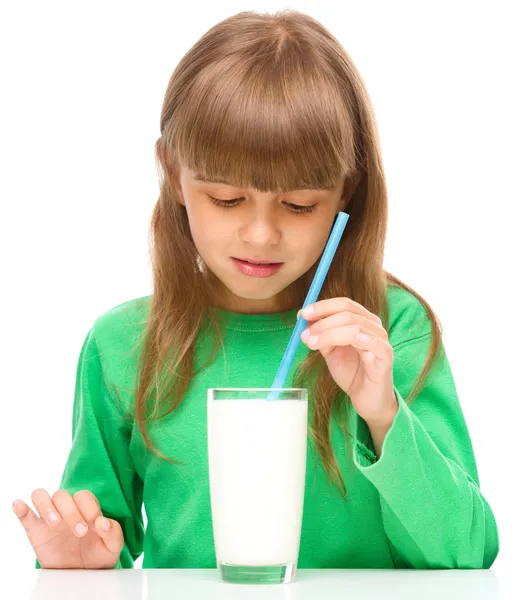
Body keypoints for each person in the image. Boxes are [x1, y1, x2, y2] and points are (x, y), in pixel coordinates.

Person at [12, 9, 499, 570]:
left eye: (298, 205)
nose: (262, 234)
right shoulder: (122, 346)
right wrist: (78, 564)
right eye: (225, 198)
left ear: (346, 192)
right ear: (173, 174)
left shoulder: (390, 333)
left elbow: (468, 553)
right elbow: (100, 548)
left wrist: (383, 413)